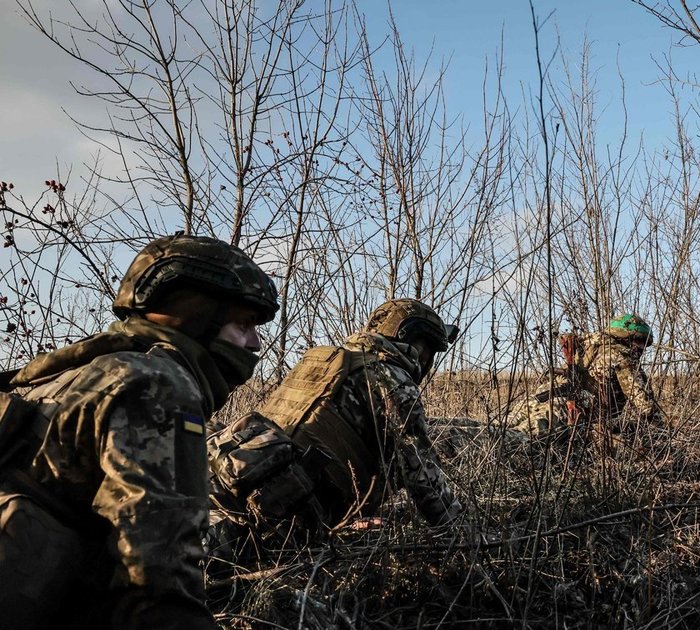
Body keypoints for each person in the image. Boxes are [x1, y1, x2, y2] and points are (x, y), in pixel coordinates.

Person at [0, 234, 278, 630]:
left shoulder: (64, 373)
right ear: (196, 316)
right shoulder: (157, 385)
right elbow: (156, 580)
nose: (254, 343)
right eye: (244, 324)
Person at [209, 297, 463, 535]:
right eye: (429, 351)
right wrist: (463, 533)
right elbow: (422, 474)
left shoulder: (327, 361)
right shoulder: (392, 380)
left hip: (232, 481)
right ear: (414, 342)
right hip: (287, 510)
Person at [508, 313, 664, 449]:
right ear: (628, 338)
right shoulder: (622, 357)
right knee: (514, 441)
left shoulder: (586, 347)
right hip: (562, 409)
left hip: (536, 399)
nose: (642, 349)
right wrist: (662, 432)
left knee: (501, 427)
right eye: (640, 342)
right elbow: (646, 406)